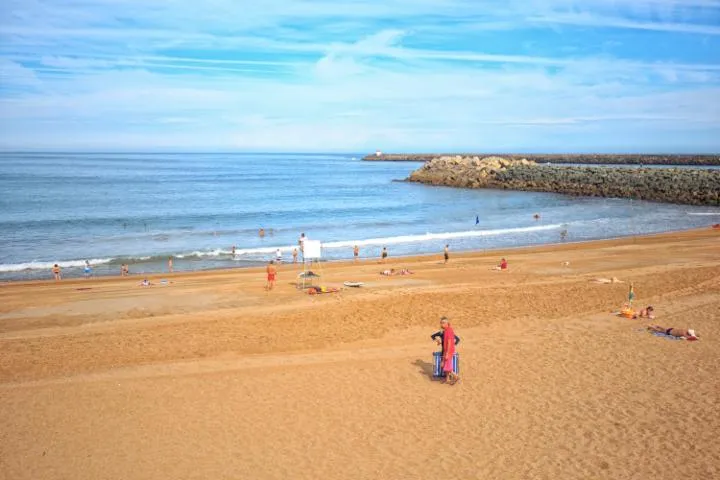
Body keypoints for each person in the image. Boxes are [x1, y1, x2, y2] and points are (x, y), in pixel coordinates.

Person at [439, 317, 459, 385]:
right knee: (446, 364)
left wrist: (447, 353)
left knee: (446, 366)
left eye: (443, 323)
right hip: (446, 350)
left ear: (448, 323)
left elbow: (450, 342)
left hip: (449, 350)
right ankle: (447, 379)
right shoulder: (446, 330)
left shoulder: (449, 330)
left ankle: (455, 376)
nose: (442, 324)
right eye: (441, 323)